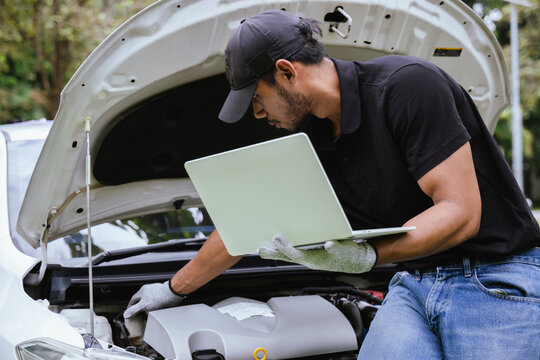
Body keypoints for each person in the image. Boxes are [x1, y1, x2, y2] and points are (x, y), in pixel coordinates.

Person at [124, 9, 540, 359]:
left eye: (256, 98)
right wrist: (172, 288)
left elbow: (460, 213)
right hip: (413, 283)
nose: (256, 114)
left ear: (286, 72)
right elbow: (243, 224)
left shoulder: (408, 86)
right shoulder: (309, 140)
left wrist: (366, 257)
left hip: (495, 277)